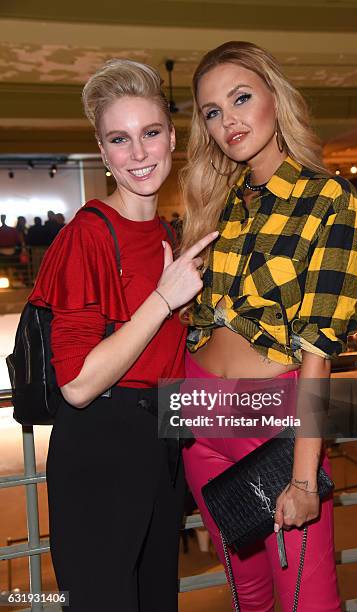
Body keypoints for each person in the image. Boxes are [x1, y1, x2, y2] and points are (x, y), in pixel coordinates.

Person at [180, 42, 357, 611]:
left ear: (274, 98)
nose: (227, 120)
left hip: (276, 419)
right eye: (212, 111)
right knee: (247, 594)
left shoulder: (330, 200)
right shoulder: (220, 201)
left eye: (240, 98)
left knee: (308, 599)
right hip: (199, 413)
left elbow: (319, 349)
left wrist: (306, 479)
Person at [28, 59, 217, 612]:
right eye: (120, 139)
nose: (138, 154)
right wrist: (164, 298)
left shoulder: (167, 234)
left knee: (156, 599)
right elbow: (79, 385)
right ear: (103, 150)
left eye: (150, 133)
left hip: (159, 441)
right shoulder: (86, 236)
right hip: (100, 446)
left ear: (172, 138)